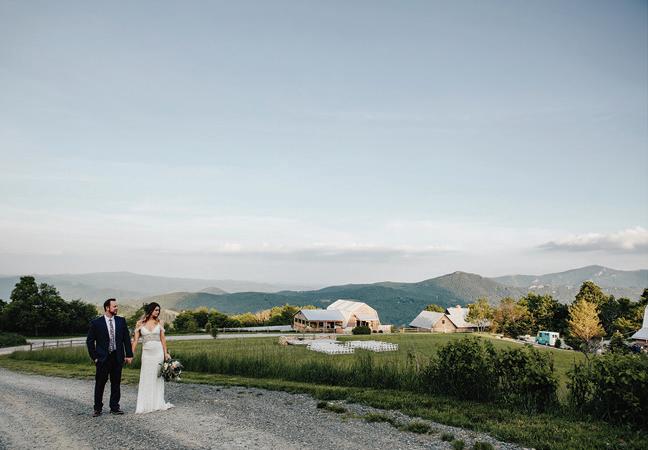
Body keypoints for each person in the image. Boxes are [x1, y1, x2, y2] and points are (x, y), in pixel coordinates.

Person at [86, 298, 133, 417]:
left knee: (116, 383)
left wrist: (129, 354)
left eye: (117, 306)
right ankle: (97, 408)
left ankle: (114, 407)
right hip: (102, 358)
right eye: (114, 306)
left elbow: (126, 339)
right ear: (107, 308)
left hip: (117, 357)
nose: (117, 308)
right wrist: (95, 357)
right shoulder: (96, 323)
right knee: (100, 384)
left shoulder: (121, 321)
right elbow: (90, 341)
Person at [131, 302, 174, 413]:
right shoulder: (140, 323)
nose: (158, 312)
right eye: (156, 310)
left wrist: (165, 353)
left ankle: (157, 403)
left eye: (158, 310)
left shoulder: (160, 322)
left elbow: (163, 339)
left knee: (157, 377)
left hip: (158, 353)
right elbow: (135, 340)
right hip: (147, 354)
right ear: (150, 310)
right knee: (146, 376)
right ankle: (146, 404)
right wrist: (131, 354)